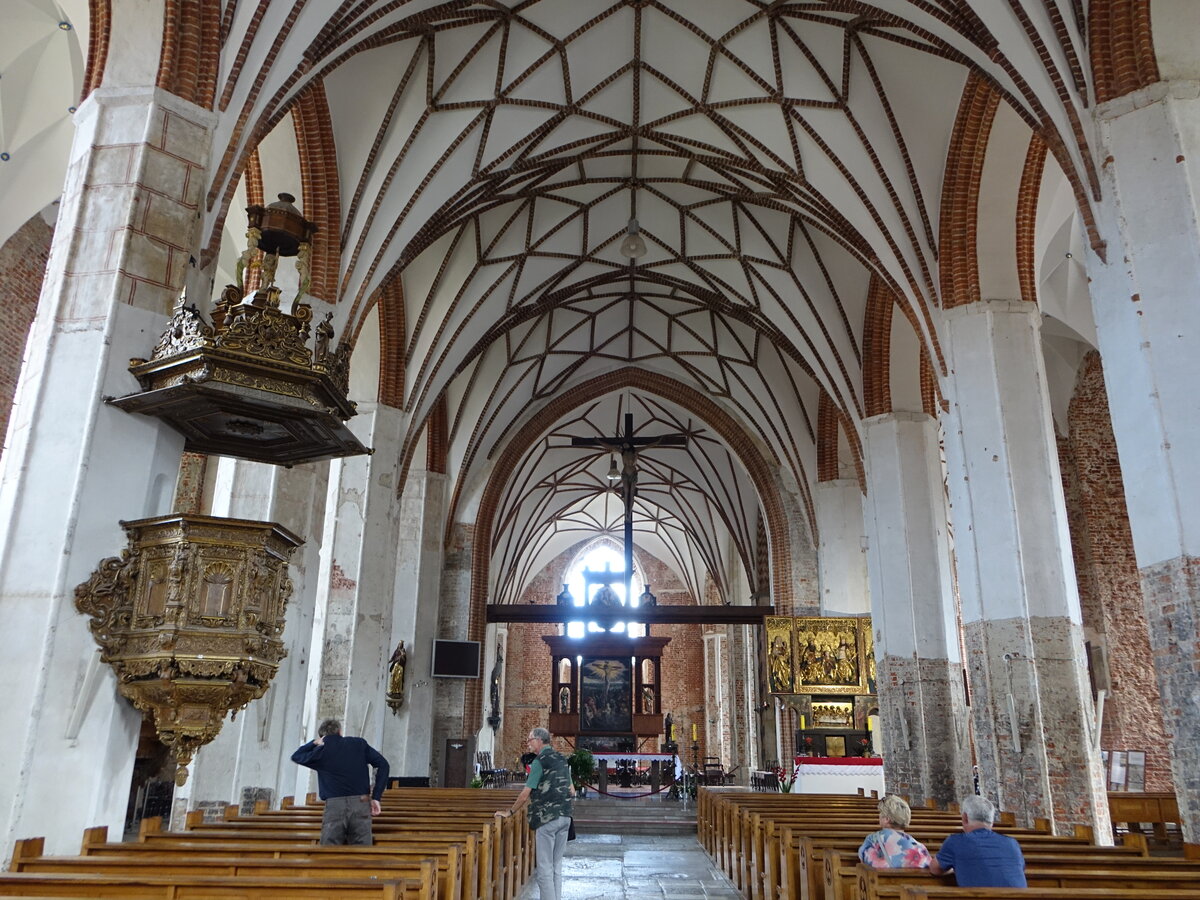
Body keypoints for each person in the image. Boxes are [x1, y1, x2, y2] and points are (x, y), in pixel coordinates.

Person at [499, 727, 574, 900]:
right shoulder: (562, 759)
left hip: (547, 819)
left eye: (530, 739)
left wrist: (509, 812)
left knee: (544, 868)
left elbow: (525, 794)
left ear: (540, 740)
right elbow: (572, 791)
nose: (528, 743)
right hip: (565, 818)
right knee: (557, 865)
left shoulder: (539, 761)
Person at [291, 718, 390, 845]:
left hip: (334, 805)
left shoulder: (319, 752)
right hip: (362, 801)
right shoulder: (358, 744)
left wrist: (313, 743)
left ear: (322, 737)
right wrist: (376, 796)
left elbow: (296, 756)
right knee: (363, 851)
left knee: (329, 851)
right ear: (340, 731)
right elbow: (384, 765)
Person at [929, 795, 1026, 887]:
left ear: (965, 818)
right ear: (991, 820)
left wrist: (954, 868)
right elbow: (1019, 869)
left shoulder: (956, 842)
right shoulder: (1012, 843)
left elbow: (935, 869)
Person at [858, 795, 931, 868]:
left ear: (887, 819)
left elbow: (863, 864)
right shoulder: (920, 848)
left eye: (880, 813)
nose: (879, 816)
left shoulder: (872, 840)